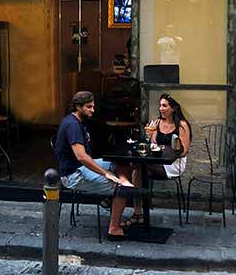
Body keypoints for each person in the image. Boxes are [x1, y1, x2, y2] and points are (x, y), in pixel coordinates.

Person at [54, 91, 133, 241]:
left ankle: (111, 198)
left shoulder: (74, 121)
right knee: (122, 189)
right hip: (74, 174)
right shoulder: (73, 126)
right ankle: (114, 229)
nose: (92, 110)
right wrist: (105, 174)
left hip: (79, 167)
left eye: (93, 107)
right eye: (89, 107)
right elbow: (82, 157)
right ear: (78, 107)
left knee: (119, 163)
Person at [129, 93, 191, 223]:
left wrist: (169, 151)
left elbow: (184, 151)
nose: (161, 108)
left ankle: (116, 196)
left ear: (173, 108)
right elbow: (153, 146)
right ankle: (138, 212)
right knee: (137, 171)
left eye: (164, 106)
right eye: (160, 106)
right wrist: (149, 136)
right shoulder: (156, 123)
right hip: (156, 162)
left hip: (174, 164)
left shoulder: (182, 125)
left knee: (137, 165)